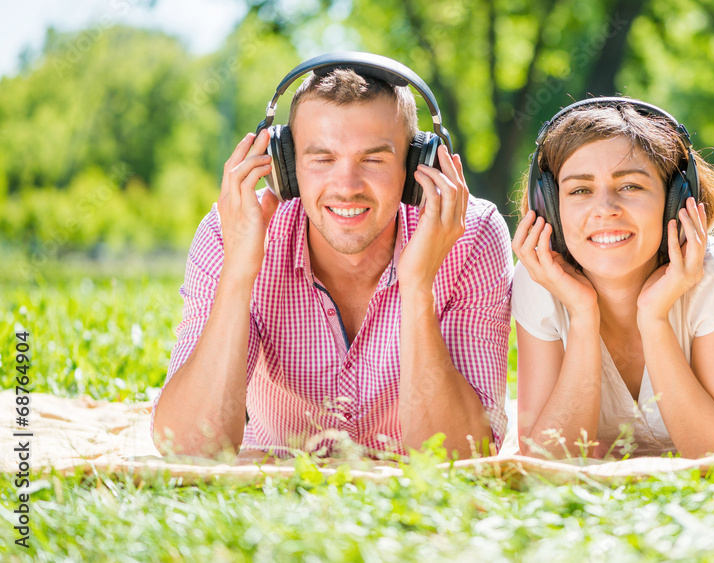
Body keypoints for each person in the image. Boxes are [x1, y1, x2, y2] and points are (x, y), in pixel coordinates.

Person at [151, 53, 513, 460]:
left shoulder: (471, 234)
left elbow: (460, 458)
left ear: (416, 166)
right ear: (285, 166)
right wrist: (238, 274)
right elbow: (187, 450)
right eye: (322, 159)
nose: (347, 186)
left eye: (373, 159)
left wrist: (417, 288)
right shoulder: (231, 230)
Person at [511, 98, 714, 459]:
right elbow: (548, 460)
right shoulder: (539, 277)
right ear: (549, 206)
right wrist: (582, 315)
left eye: (630, 186)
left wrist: (654, 318)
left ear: (675, 200)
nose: (605, 208)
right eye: (580, 190)